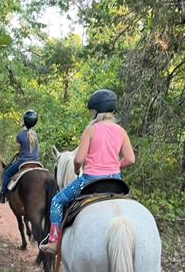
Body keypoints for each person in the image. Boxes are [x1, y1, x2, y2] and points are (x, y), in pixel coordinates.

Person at [40, 89, 135, 254]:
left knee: (57, 201)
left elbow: (78, 160)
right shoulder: (121, 131)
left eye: (92, 111)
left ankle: (54, 242)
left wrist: (77, 168)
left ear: (96, 111)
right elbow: (130, 159)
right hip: (115, 181)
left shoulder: (91, 130)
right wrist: (114, 167)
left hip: (91, 180)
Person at [0, 110, 40, 204]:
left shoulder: (20, 135)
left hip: (23, 161)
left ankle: (2, 195)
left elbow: (20, 152)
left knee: (7, 174)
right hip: (37, 162)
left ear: (24, 121)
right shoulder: (36, 135)